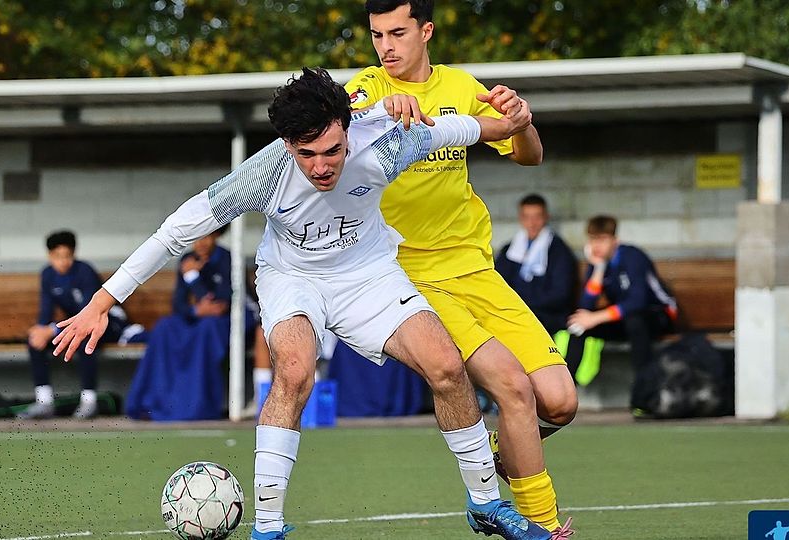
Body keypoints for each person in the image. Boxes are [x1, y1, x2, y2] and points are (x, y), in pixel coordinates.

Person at [52, 68, 551, 539]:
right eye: (306, 154)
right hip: (291, 277)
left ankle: (484, 503)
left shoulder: (387, 140)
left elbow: (461, 129)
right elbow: (175, 232)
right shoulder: (264, 173)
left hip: (367, 274)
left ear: (347, 128)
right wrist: (102, 300)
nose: (321, 166)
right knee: (294, 371)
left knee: (446, 366)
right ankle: (268, 526)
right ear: (288, 144)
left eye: (332, 151)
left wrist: (513, 121)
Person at [347, 1, 576, 535]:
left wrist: (520, 120)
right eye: (377, 35)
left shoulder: (459, 85)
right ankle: (540, 527)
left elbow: (528, 155)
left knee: (560, 403)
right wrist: (380, 111)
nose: (386, 46)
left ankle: (506, 454)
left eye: (398, 33)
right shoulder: (370, 87)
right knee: (514, 390)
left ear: (425, 31)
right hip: (412, 276)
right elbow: (345, 118)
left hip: (476, 269)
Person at [19, 230, 142, 420]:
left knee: (85, 340)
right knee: (35, 341)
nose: (63, 261)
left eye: (68, 256)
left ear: (74, 254)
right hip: (78, 325)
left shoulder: (85, 271)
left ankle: (89, 402)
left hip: (108, 324)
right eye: (58, 256)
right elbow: (46, 311)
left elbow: (88, 314)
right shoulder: (47, 275)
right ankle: (44, 403)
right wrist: (41, 329)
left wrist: (51, 330)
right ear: (49, 256)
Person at [125, 227, 241, 420]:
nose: (201, 243)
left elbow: (222, 302)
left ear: (216, 236)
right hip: (195, 318)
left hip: (222, 322)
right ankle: (153, 402)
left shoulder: (227, 259)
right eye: (197, 238)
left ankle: (196, 406)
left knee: (206, 330)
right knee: (164, 327)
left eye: (206, 237)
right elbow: (178, 304)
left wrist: (193, 278)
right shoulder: (187, 260)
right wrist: (195, 310)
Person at [565, 215, 677, 415]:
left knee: (636, 322)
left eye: (602, 239)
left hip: (658, 315)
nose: (596, 245)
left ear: (614, 240)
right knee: (578, 324)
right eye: (592, 240)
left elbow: (637, 301)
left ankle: (643, 398)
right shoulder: (597, 262)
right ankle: (562, 394)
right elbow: (586, 306)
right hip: (626, 319)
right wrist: (598, 269)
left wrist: (595, 318)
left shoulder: (633, 257)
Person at [495, 194, 577, 336]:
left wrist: (523, 304)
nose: (532, 223)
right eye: (527, 217)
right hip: (512, 311)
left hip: (545, 314)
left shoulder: (558, 250)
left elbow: (560, 295)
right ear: (520, 219)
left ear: (546, 217)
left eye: (537, 217)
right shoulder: (509, 249)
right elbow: (497, 284)